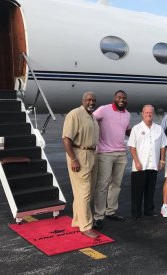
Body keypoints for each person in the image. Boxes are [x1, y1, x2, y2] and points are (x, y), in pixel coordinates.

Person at [62, 92, 100, 238]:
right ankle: (86, 226)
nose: (91, 102)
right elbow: (66, 138)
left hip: (92, 154)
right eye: (89, 99)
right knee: (84, 192)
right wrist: (73, 159)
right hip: (79, 155)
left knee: (86, 191)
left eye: (94, 100)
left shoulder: (92, 116)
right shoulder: (75, 114)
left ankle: (78, 220)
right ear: (82, 100)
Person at [92, 90, 131, 229]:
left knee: (116, 184)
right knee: (102, 185)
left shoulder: (127, 114)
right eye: (119, 97)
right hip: (105, 153)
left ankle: (111, 211)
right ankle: (98, 216)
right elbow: (91, 119)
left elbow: (127, 131)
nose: (122, 100)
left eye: (124, 98)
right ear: (114, 98)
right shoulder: (104, 110)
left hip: (121, 154)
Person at [128, 105, 167, 220]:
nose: (149, 114)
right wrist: (136, 161)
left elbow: (163, 145)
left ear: (153, 113)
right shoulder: (136, 128)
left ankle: (148, 210)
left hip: (153, 165)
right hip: (140, 165)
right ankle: (136, 213)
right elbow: (132, 147)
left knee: (150, 189)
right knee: (137, 191)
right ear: (142, 113)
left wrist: (162, 160)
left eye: (151, 112)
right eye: (146, 112)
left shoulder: (158, 128)